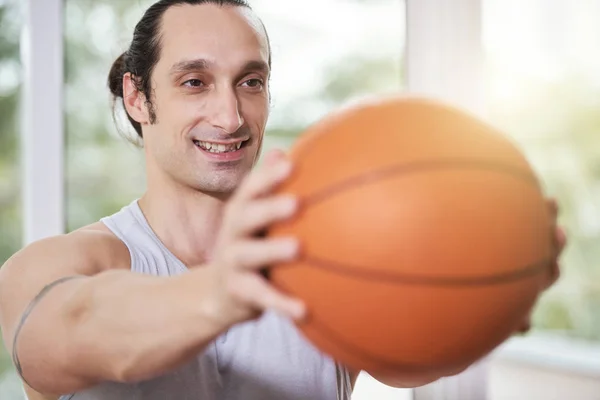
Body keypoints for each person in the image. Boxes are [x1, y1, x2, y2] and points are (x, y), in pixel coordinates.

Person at [0, 1, 566, 399]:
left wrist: (497, 295)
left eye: (250, 81)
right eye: (194, 82)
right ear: (137, 97)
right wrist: (220, 291)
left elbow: (412, 363)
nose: (229, 116)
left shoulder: (325, 263)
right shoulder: (62, 265)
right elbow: (63, 335)